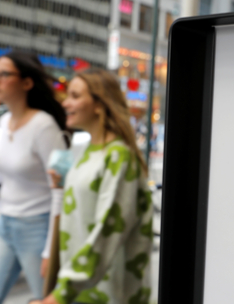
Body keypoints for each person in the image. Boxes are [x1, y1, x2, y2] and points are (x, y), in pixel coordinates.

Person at [0, 51, 68, 303]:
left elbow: (61, 187)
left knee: (49, 299)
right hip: (5, 224)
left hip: (37, 228)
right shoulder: (4, 120)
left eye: (4, 74)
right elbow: (17, 171)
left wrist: (49, 250)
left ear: (27, 83)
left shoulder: (44, 126)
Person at [41, 69, 153, 304]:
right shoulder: (87, 151)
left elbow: (108, 230)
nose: (66, 103)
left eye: (75, 95)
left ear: (99, 105)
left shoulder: (119, 156)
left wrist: (60, 294)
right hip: (85, 290)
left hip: (110, 292)